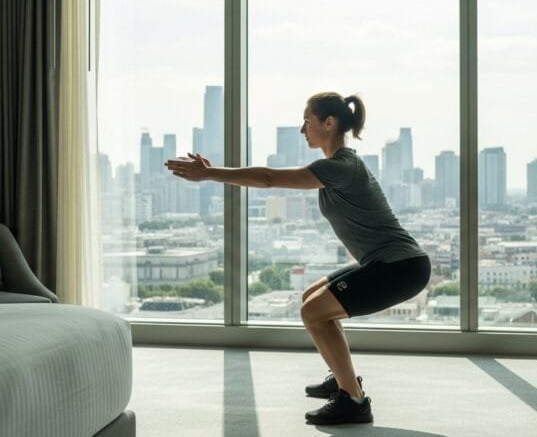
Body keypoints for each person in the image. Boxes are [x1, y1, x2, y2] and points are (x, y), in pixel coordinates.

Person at [165, 92, 430, 425]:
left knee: (313, 312)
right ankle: (342, 377)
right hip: (388, 263)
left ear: (329, 123)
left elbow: (269, 178)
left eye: (307, 121)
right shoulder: (339, 166)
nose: (302, 129)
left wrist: (210, 173)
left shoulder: (340, 167)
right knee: (312, 299)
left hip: (400, 267)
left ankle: (354, 400)